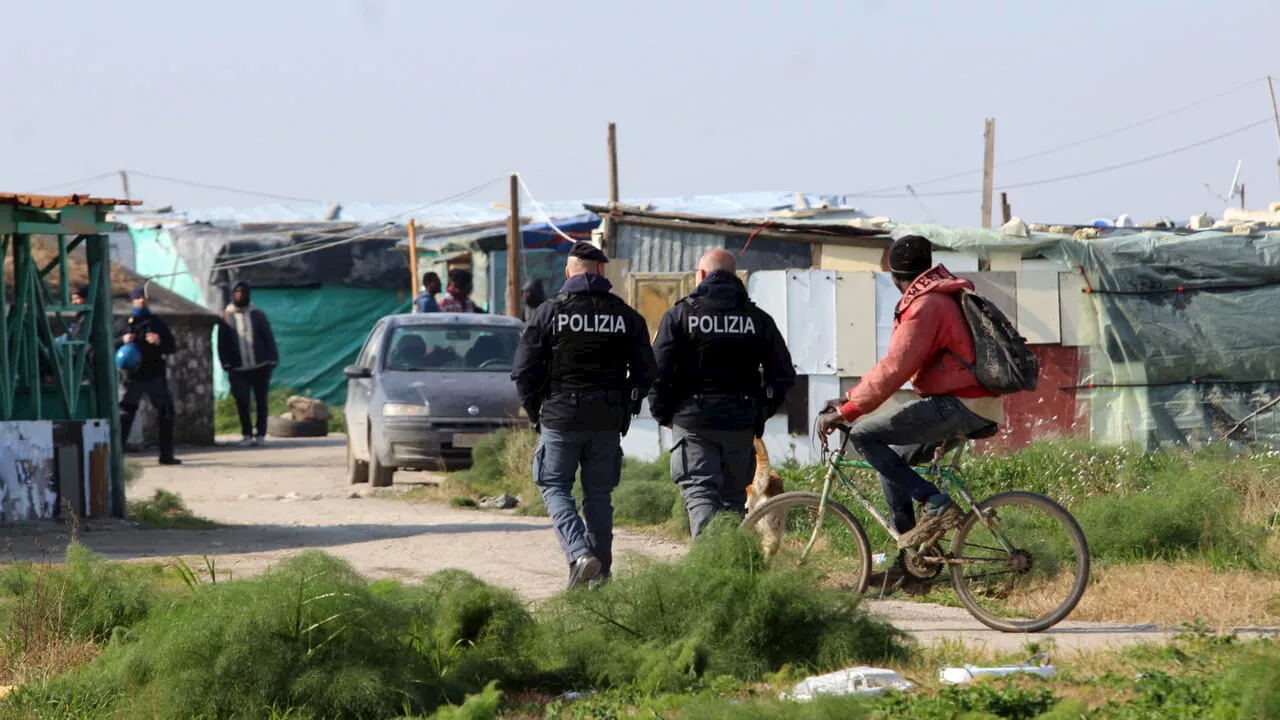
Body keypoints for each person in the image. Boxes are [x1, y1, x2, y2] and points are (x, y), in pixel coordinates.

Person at [817, 235, 1003, 552]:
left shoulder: (925, 306)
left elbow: (894, 369)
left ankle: (936, 502)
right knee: (894, 466)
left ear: (893, 277)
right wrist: (849, 400)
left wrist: (846, 413)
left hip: (960, 405)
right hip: (977, 404)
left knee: (863, 435)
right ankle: (914, 557)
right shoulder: (943, 295)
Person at [512, 241, 656, 590]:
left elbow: (524, 372)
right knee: (598, 496)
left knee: (554, 486)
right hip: (607, 419)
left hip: (560, 416)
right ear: (601, 271)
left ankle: (579, 555)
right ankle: (601, 576)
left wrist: (536, 413)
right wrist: (628, 405)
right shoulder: (626, 316)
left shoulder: (548, 313)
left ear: (568, 272)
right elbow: (646, 373)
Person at [649, 249, 796, 538]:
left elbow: (658, 373)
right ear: (735, 276)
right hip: (739, 421)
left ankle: (709, 564)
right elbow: (783, 374)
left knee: (701, 492)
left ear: (701, 275)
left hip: (693, 422)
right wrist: (760, 412)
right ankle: (730, 564)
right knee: (731, 501)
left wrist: (664, 414)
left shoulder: (680, 315)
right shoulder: (757, 319)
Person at [116, 285, 181, 465]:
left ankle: (166, 455)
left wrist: (159, 341)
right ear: (133, 300)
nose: (142, 301)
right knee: (125, 414)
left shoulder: (156, 322)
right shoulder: (123, 323)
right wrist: (122, 340)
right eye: (138, 298)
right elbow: (110, 345)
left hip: (154, 374)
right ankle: (117, 455)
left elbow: (171, 347)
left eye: (144, 298)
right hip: (132, 377)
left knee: (166, 412)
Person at [217, 281, 280, 446]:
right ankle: (246, 434)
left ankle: (260, 434)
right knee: (242, 401)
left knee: (261, 401)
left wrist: (272, 360)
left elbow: (268, 338)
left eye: (243, 291)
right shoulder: (226, 316)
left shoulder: (257, 314)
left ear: (248, 294)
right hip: (238, 369)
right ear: (232, 294)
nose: (239, 294)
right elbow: (221, 342)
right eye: (236, 291)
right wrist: (226, 364)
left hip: (260, 366)